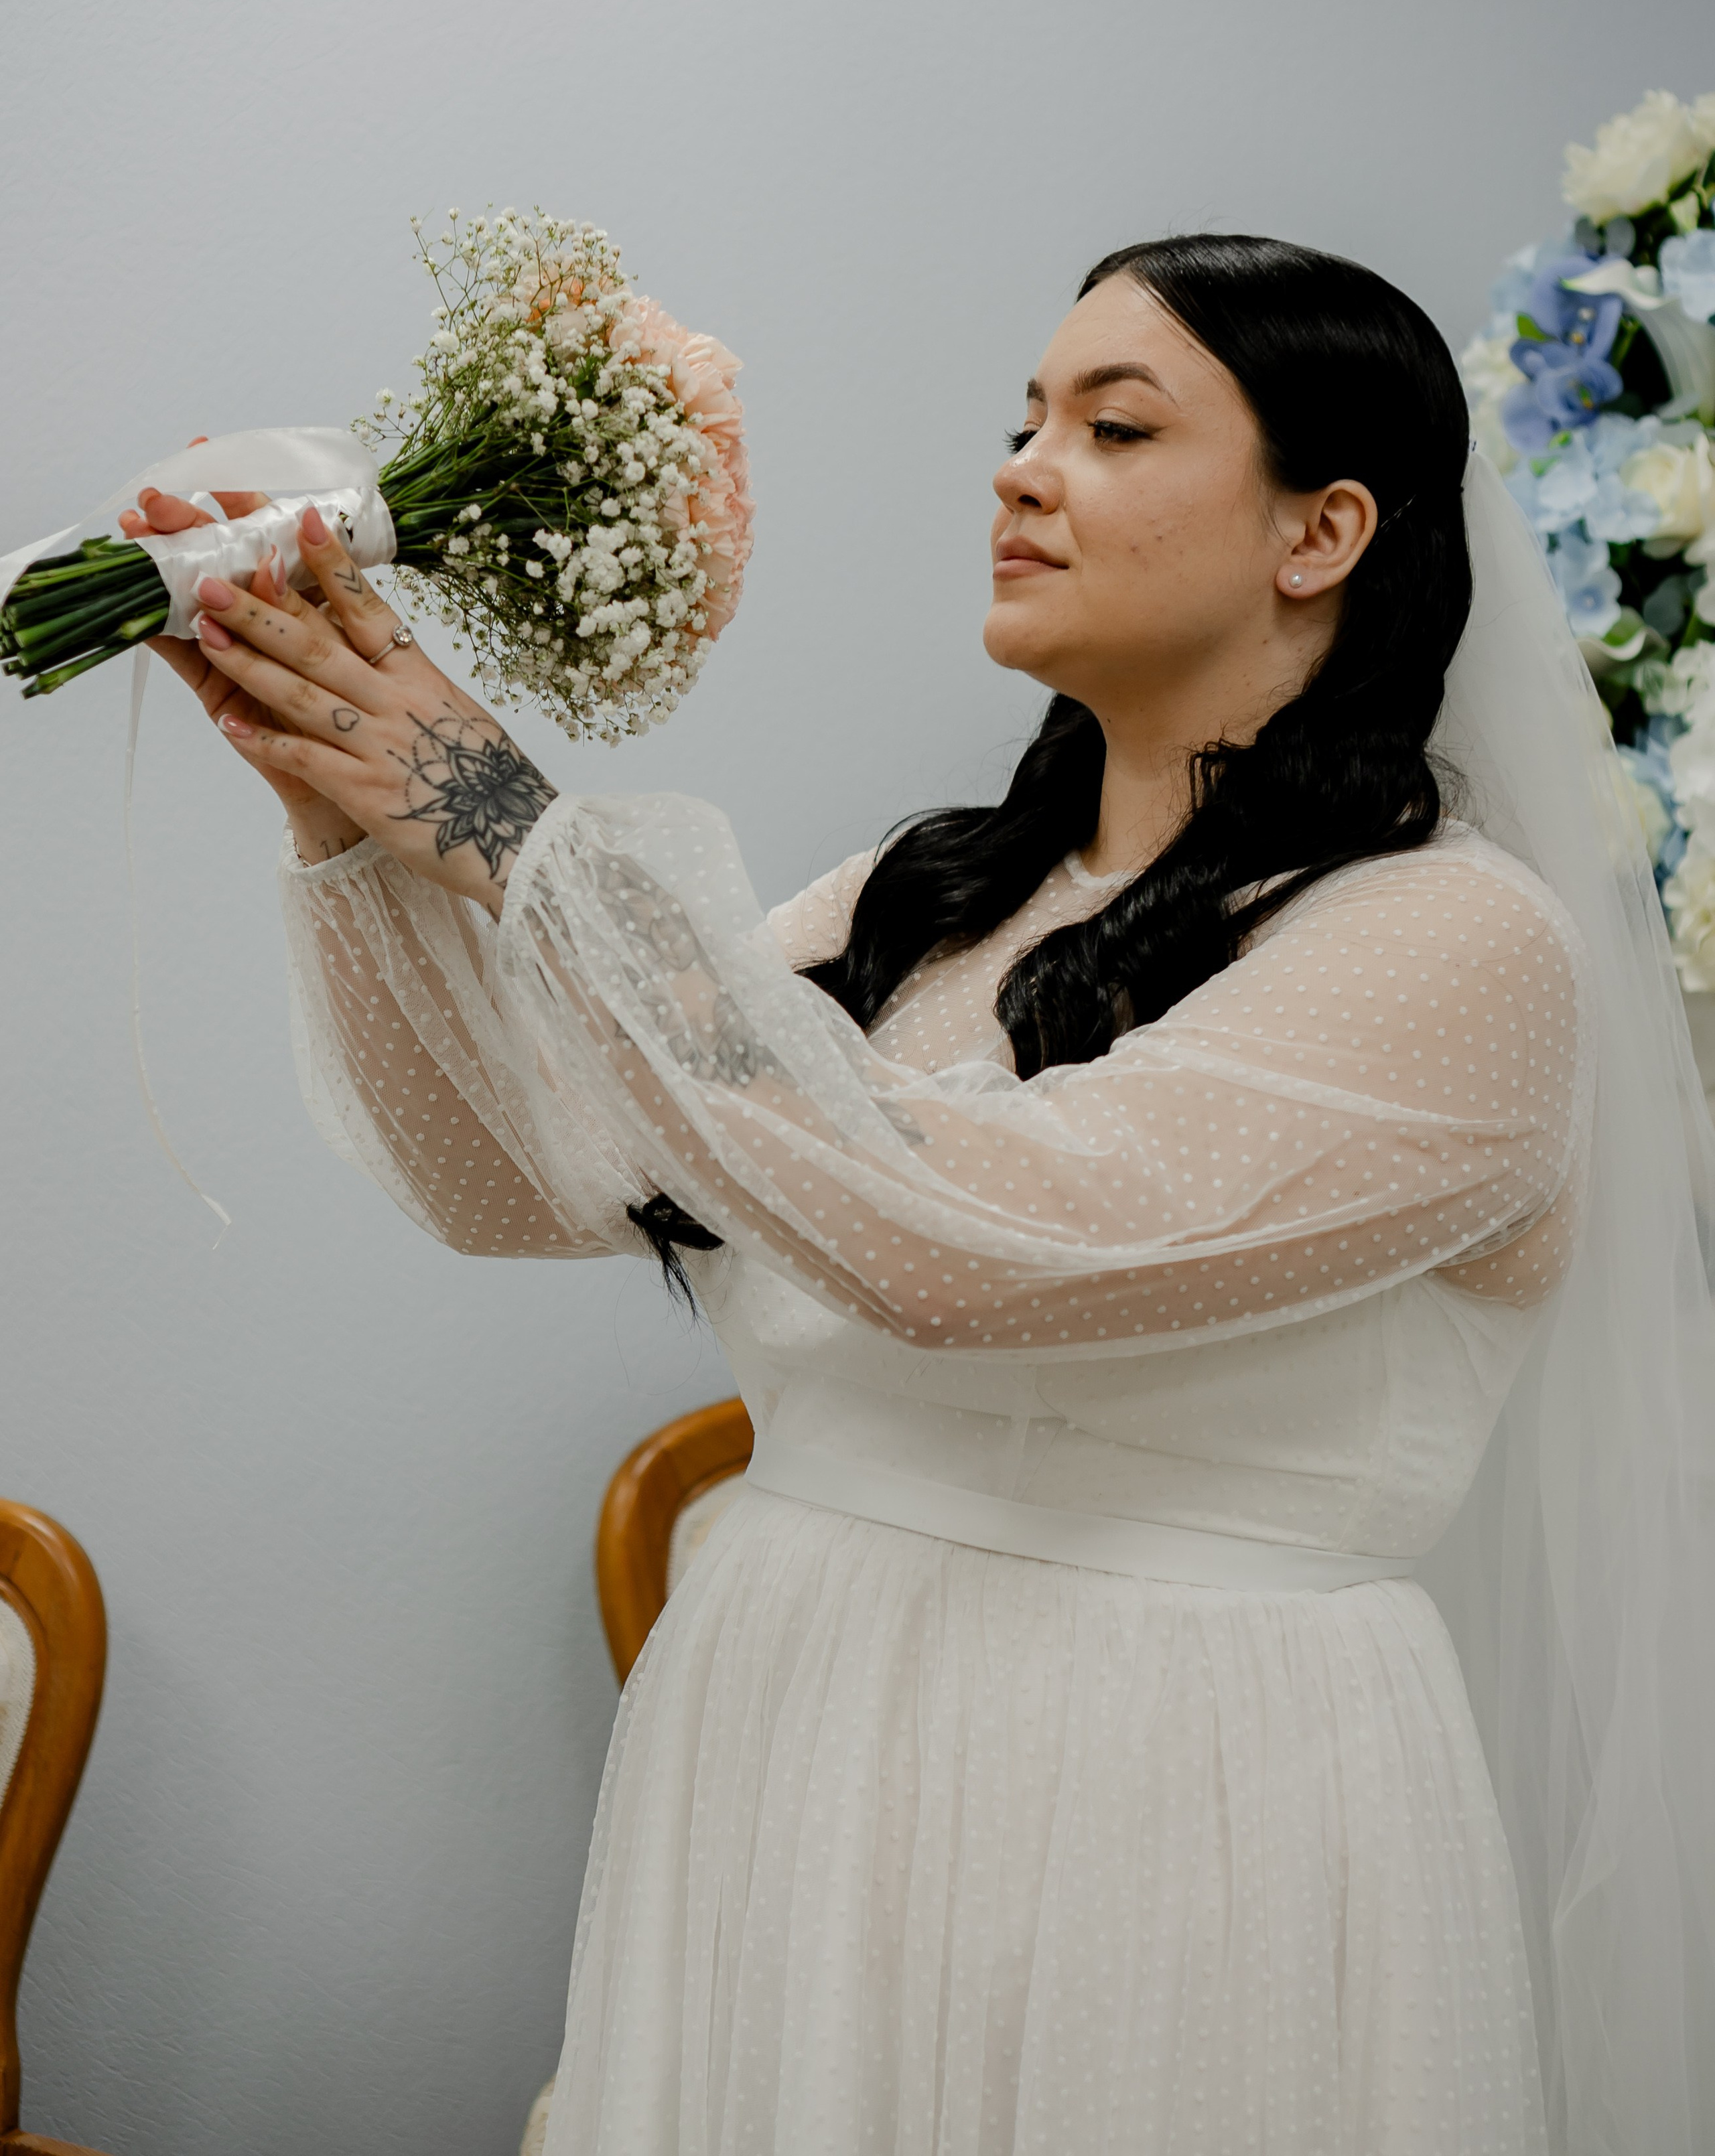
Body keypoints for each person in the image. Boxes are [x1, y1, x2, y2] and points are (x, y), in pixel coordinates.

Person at [131, 234, 1715, 2156]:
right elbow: (521, 1171)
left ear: (1324, 533)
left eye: (1114, 427)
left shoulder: (1460, 945)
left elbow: (959, 1242)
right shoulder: (927, 898)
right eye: (1023, 419)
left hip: (1175, 1784)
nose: (1023, 467)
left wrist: (509, 827)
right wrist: (344, 796)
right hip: (792, 1721)